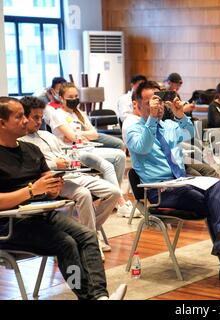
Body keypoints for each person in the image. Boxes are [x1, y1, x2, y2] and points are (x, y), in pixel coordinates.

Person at [126, 81, 220, 280]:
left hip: (181, 182)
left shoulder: (170, 125)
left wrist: (180, 114)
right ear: (137, 105)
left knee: (217, 184)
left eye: (158, 100)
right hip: (158, 191)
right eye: (149, 102)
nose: (156, 105)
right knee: (212, 203)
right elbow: (143, 147)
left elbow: (190, 135)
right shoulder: (133, 129)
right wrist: (152, 120)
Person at [0, 96, 127, 300]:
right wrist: (32, 191)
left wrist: (52, 188)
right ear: (2, 123)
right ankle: (90, 297)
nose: (26, 120)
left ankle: (100, 297)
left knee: (87, 235)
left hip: (40, 213)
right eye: (19, 117)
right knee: (66, 243)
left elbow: (44, 182)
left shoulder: (31, 150)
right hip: (9, 224)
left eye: (25, 115)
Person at [18, 96, 122, 260]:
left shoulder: (47, 135)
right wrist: (55, 164)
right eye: (35, 117)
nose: (39, 121)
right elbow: (33, 167)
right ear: (24, 117)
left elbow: (65, 152)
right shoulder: (20, 140)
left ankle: (87, 234)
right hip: (53, 181)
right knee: (83, 194)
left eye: (40, 117)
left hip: (73, 174)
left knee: (114, 192)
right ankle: (91, 244)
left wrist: (70, 159)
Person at [50, 82, 134, 218]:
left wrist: (78, 135)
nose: (74, 99)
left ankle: (114, 199)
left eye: (76, 96)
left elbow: (94, 134)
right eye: (70, 97)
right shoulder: (57, 114)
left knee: (120, 156)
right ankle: (121, 202)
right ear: (61, 98)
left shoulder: (80, 113)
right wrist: (78, 135)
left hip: (88, 148)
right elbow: (72, 138)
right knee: (107, 166)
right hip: (72, 153)